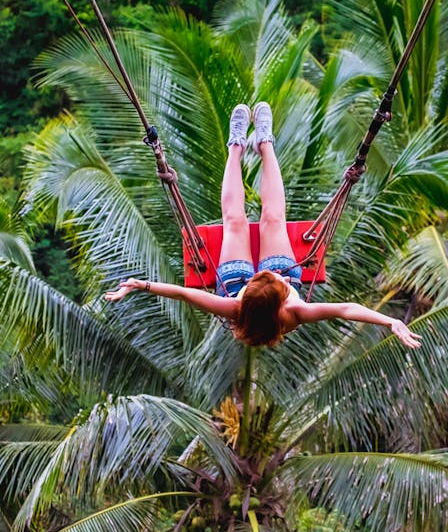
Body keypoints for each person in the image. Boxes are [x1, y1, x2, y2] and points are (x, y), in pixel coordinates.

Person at [106, 102, 422, 349]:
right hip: (272, 285)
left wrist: (140, 284)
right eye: (271, 279)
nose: (265, 271)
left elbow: (184, 295)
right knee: (273, 219)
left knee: (235, 222)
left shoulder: (233, 305)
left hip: (232, 283)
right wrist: (389, 323)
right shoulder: (295, 312)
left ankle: (236, 147)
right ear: (283, 297)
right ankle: (265, 143)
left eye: (263, 277)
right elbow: (347, 309)